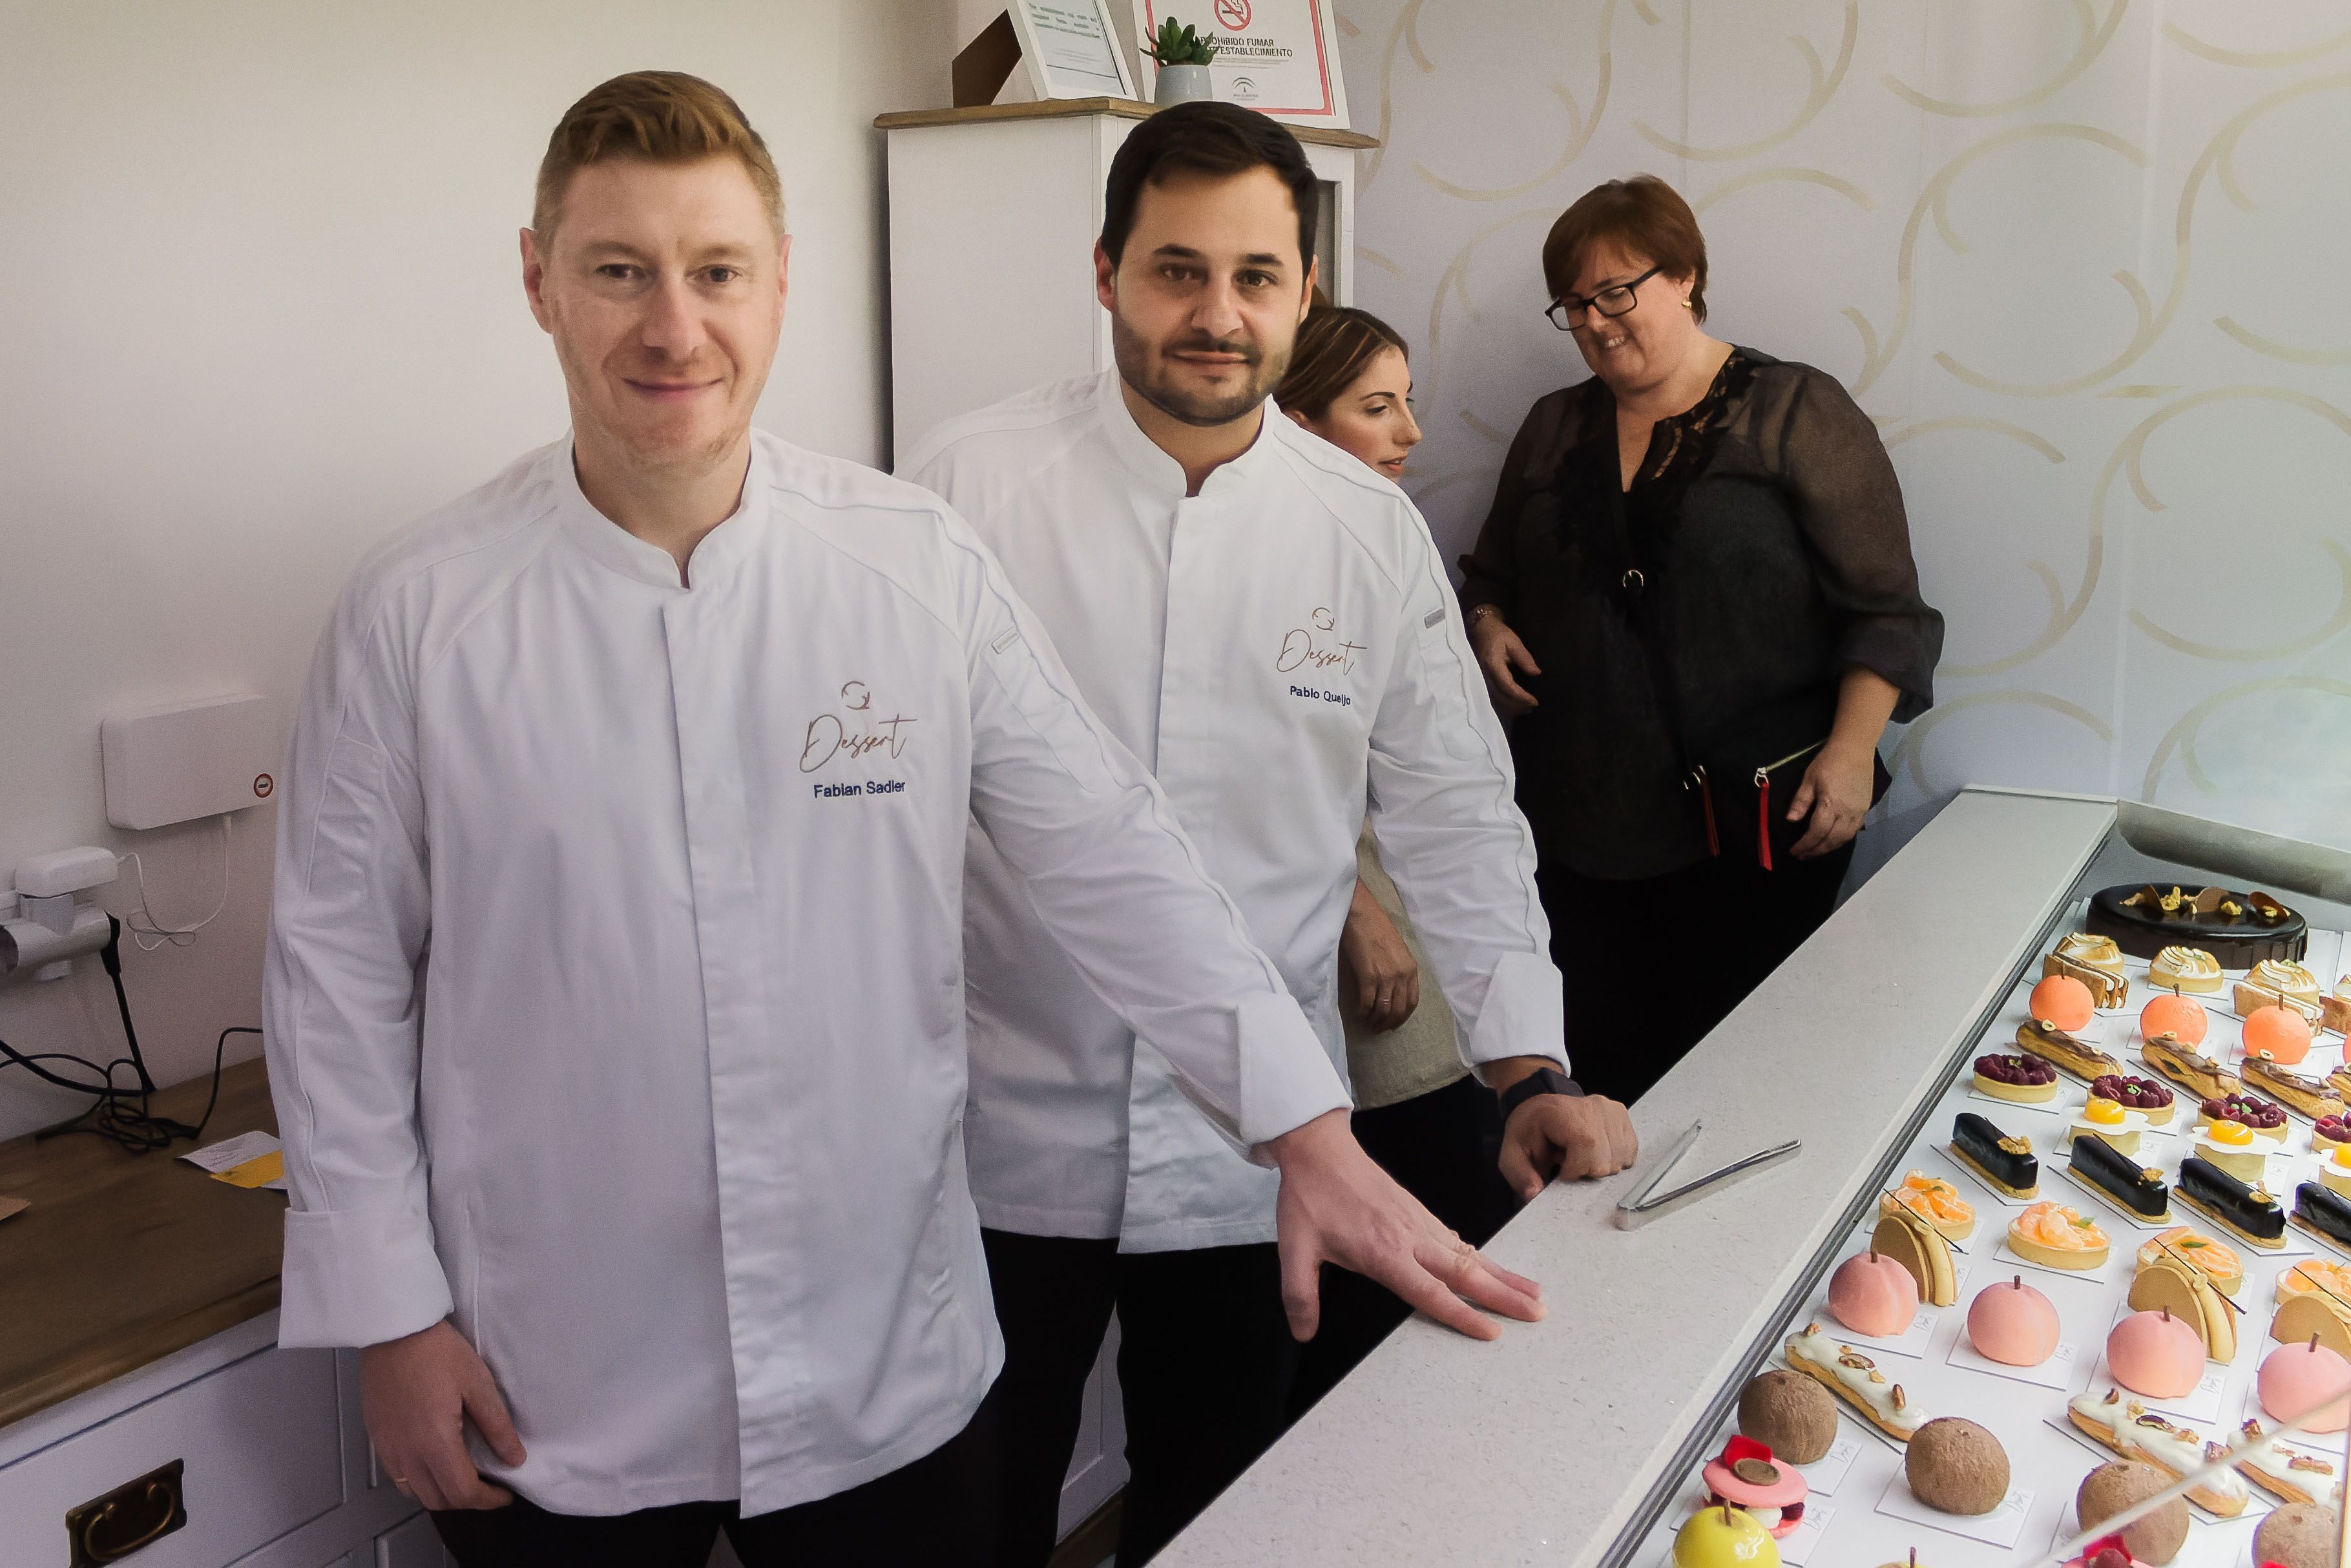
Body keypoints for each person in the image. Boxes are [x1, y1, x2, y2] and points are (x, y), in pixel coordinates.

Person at [262, 73, 1544, 1568]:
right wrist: (391, 1317)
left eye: (718, 272)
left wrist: (1303, 1124)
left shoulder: (908, 561)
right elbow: (335, 984)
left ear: (781, 284)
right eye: (620, 271)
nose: (675, 327)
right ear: (538, 279)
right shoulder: (419, 610)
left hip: (881, 1353)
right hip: (553, 1358)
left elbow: (1109, 854)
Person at [903, 103, 1638, 1567]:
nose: (1215, 314)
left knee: (1219, 1513)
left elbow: (1454, 813)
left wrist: (1524, 1061)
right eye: (1176, 270)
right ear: (1105, 270)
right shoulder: (961, 488)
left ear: (1304, 291)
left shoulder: (1364, 535)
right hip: (993, 1138)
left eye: (1254, 277)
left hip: (1263, 1151)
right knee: (973, 1518)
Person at [1459, 174, 1944, 1109]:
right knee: (1591, 1075)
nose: (1594, 321)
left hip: (1749, 832)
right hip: (1573, 822)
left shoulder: (1797, 411)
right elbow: (1490, 574)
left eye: (1615, 292)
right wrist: (1487, 625)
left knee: (1730, 1085)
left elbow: (1888, 610)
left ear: (1684, 277)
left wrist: (1850, 756)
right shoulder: (1555, 424)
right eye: (1572, 304)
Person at [1271, 305, 1527, 1416]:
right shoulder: (1251, 562)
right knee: (1399, 1220)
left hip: (1404, 906)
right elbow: (1244, 786)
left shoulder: (1385, 542)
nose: (1412, 432)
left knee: (1441, 1182)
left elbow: (1449, 787)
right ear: (1293, 421)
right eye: (1378, 407)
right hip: (1330, 938)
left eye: (1408, 401)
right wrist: (1356, 910)